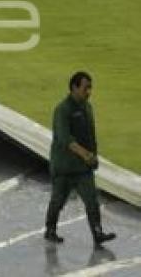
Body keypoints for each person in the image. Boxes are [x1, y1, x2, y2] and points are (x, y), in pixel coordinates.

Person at [44, 71, 117, 247]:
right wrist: (86, 155)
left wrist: (93, 156)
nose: (89, 92)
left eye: (90, 88)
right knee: (58, 201)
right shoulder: (62, 110)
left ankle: (97, 233)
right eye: (86, 88)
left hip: (83, 167)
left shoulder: (87, 107)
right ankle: (50, 229)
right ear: (74, 88)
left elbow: (91, 136)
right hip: (64, 167)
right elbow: (65, 139)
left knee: (92, 200)